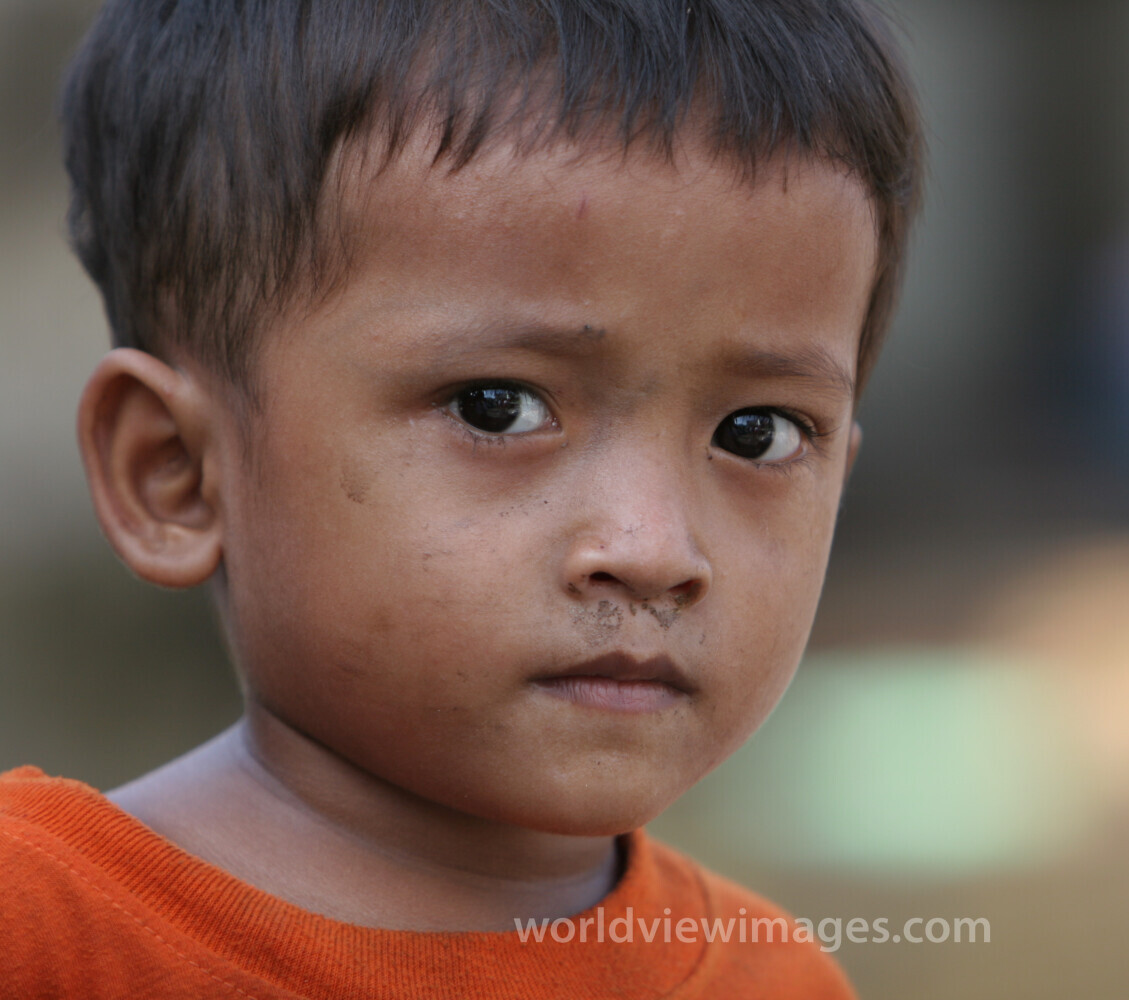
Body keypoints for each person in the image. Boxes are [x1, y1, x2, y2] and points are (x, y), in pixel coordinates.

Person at [0, 1, 922, 996]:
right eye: (498, 408)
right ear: (173, 472)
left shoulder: (773, 979)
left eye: (758, 433)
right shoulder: (44, 932)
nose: (654, 548)